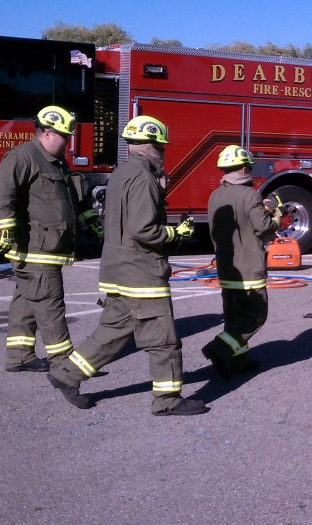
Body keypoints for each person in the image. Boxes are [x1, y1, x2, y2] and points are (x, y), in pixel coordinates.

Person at [48, 116, 207, 416]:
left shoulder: (122, 172)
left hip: (117, 269)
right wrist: (177, 233)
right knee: (164, 340)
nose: (163, 152)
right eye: (161, 146)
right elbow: (144, 230)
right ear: (153, 145)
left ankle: (65, 374)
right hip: (141, 271)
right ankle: (168, 400)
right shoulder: (144, 177)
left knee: (114, 330)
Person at [0, 106, 93, 373]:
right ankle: (64, 364)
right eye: (64, 137)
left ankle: (19, 356)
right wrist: (6, 229)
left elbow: (69, 199)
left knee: (27, 300)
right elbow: (2, 196)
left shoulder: (57, 162)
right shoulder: (22, 157)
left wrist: (87, 221)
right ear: (47, 133)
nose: (68, 143)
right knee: (50, 303)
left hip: (48, 247)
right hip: (35, 249)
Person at [201, 145, 280, 380]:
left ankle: (237, 362)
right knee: (255, 316)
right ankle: (219, 349)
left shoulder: (216, 195)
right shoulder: (250, 195)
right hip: (248, 269)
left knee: (233, 317)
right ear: (245, 167)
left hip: (227, 268)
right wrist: (276, 215)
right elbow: (264, 228)